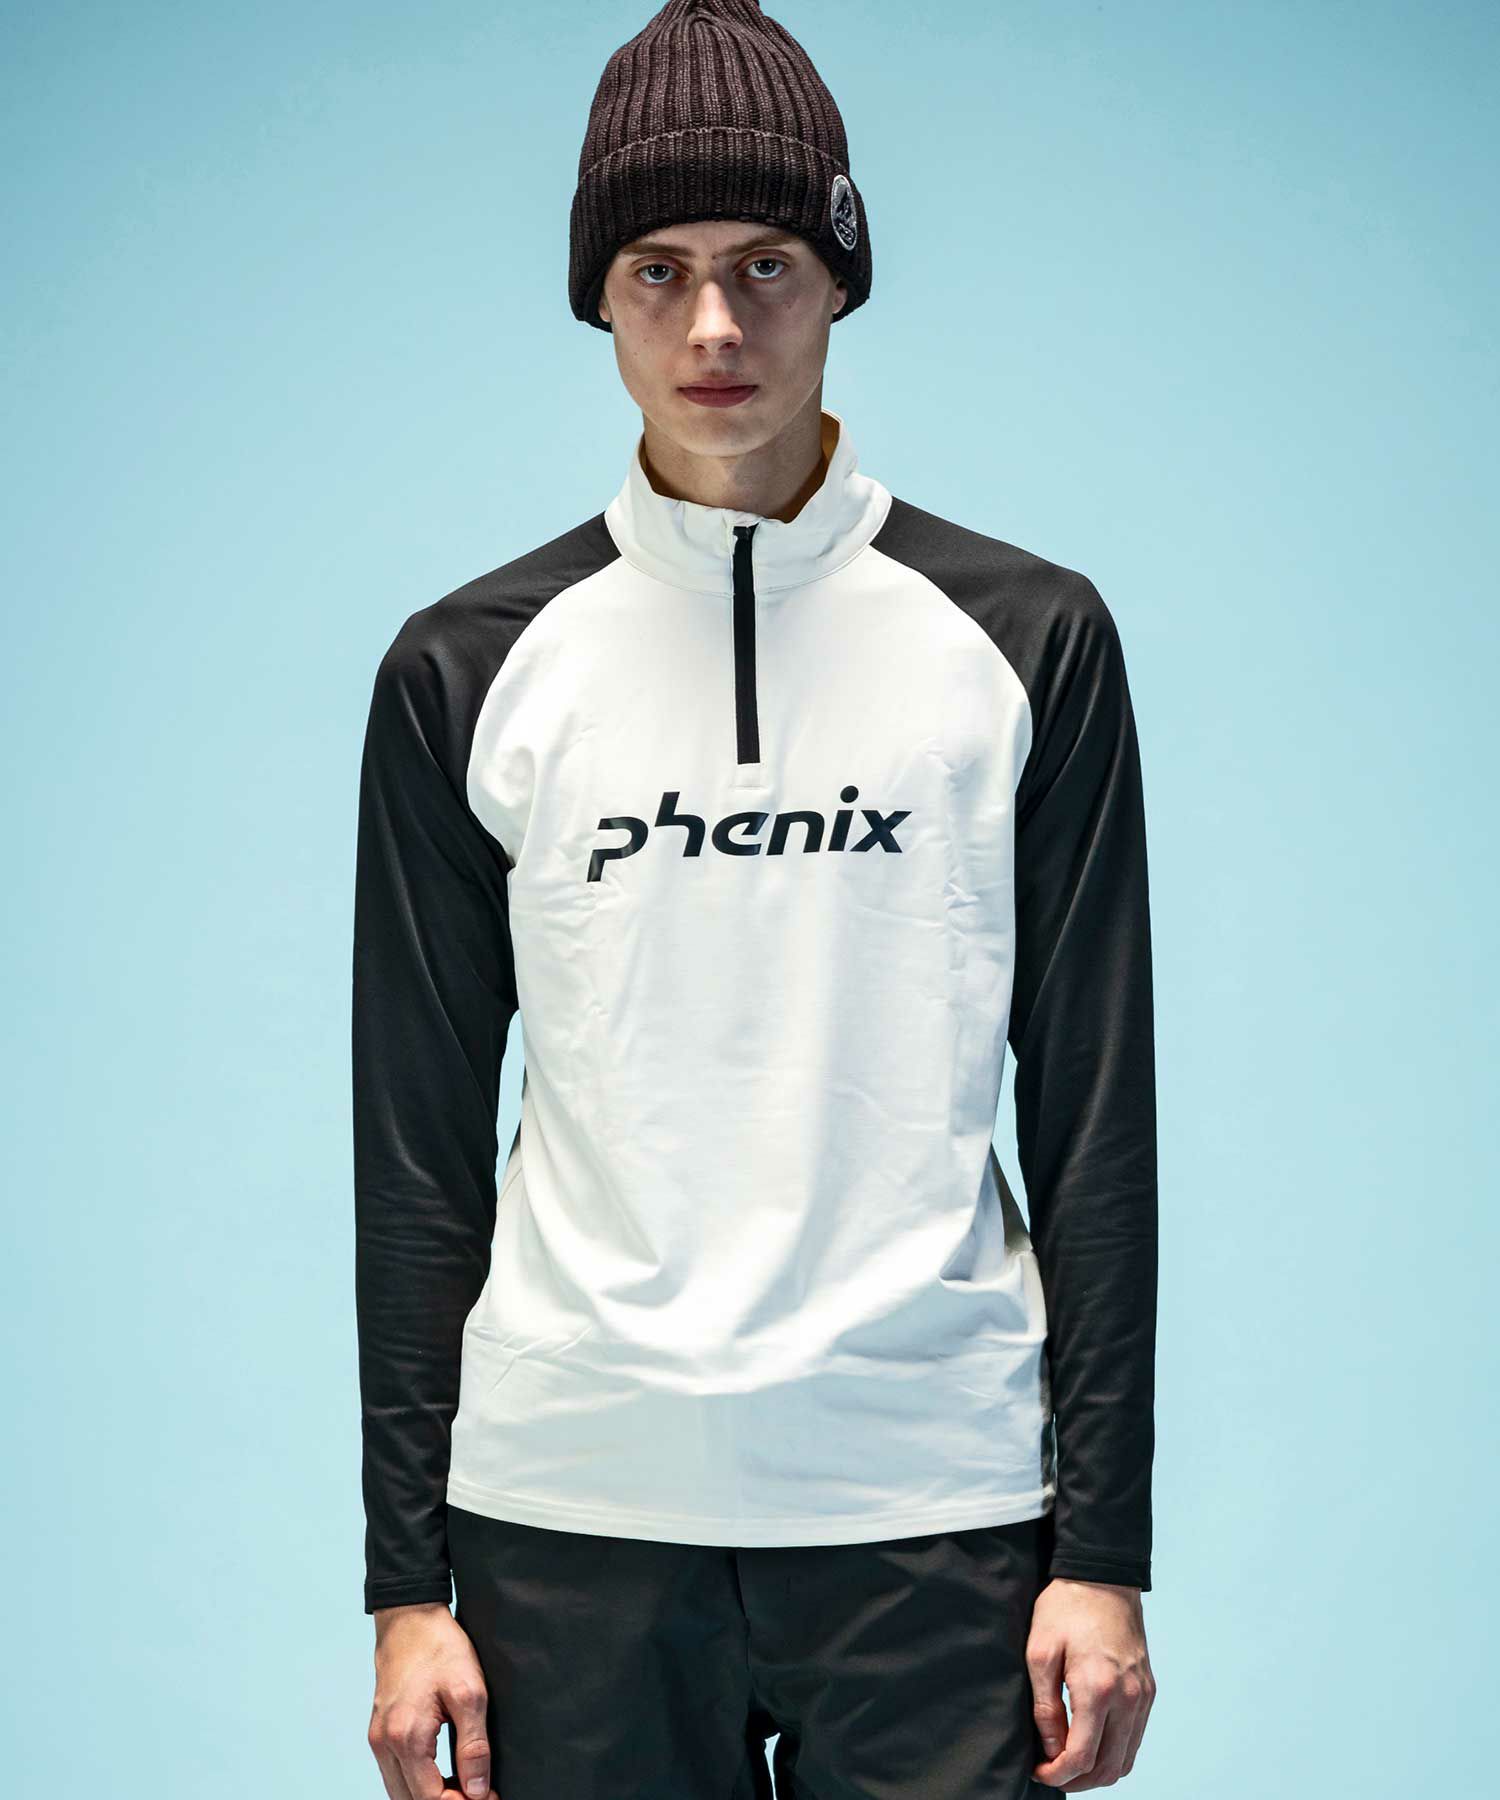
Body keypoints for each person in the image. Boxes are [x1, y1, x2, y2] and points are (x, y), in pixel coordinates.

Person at [352, 2, 1159, 1795]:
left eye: (766, 264)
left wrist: (1104, 1551)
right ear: (600, 297)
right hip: (570, 1516)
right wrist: (405, 1589)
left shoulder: (1026, 640)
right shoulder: (469, 670)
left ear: (842, 276)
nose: (715, 325)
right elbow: (413, 1152)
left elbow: (1098, 1116)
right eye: (659, 269)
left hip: (932, 1508)